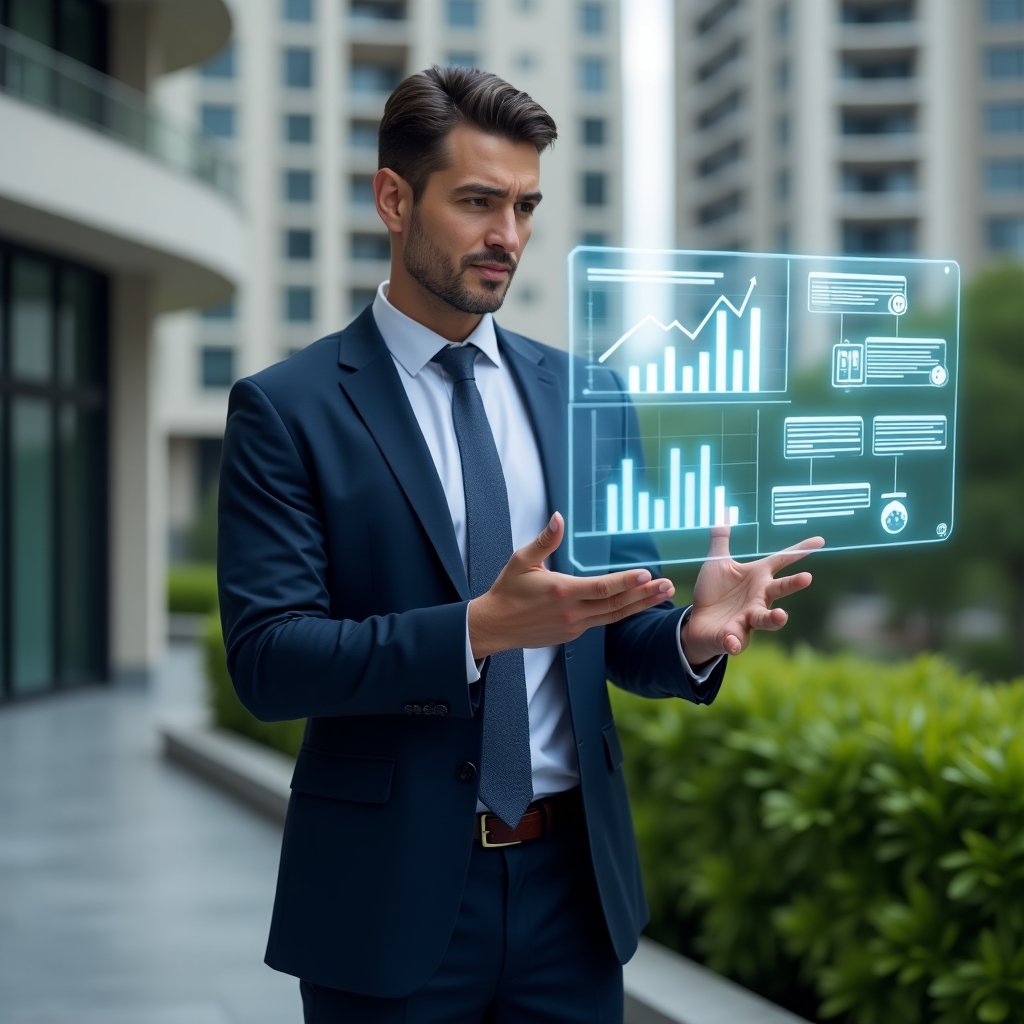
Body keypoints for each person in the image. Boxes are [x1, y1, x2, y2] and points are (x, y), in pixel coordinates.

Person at [216, 65, 822, 1024]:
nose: (508, 235)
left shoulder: (587, 396)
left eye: (526, 206)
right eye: (477, 202)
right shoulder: (287, 409)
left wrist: (688, 635)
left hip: (572, 897)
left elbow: (607, 630)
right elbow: (269, 662)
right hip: (385, 900)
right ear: (393, 199)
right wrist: (477, 630)